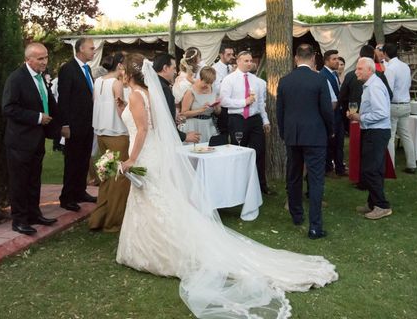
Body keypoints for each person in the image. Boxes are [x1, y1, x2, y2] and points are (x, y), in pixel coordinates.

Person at [115, 53, 338, 318]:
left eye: (122, 69)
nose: (119, 72)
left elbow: (141, 130)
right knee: (156, 202)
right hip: (152, 154)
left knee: (155, 201)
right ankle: (148, 247)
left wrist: (130, 159)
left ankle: (160, 252)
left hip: (144, 154)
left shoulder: (137, 95)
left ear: (129, 72)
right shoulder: (147, 93)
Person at [277, 45, 334, 239]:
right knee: (316, 180)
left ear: (295, 59)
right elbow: (327, 110)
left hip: (293, 136)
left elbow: (280, 112)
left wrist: (285, 134)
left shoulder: (284, 81)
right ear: (312, 59)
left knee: (293, 176)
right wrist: (331, 130)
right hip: (315, 135)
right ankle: (315, 226)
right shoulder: (319, 79)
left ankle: (296, 215)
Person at [2, 44, 59, 235]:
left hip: (37, 138)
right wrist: (37, 117)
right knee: (19, 182)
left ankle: (34, 214)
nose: (45, 62)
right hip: (19, 141)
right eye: (40, 59)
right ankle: (19, 220)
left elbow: (47, 101)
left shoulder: (42, 77)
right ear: (28, 59)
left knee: (34, 179)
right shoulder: (16, 79)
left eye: (46, 57)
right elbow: (8, 108)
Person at [220, 51, 272, 194]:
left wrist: (265, 120)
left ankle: (261, 186)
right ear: (238, 62)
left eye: (250, 61)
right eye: (246, 61)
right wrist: (244, 102)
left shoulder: (257, 81)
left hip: (255, 120)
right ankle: (239, 186)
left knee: (259, 152)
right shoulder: (229, 80)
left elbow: (261, 102)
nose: (249, 63)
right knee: (239, 151)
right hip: (237, 119)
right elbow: (224, 101)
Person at [88, 52, 130, 232]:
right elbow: (120, 107)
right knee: (119, 179)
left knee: (106, 177)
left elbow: (95, 102)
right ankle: (113, 222)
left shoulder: (98, 81)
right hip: (117, 134)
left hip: (101, 133)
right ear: (120, 65)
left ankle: (97, 219)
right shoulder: (117, 83)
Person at [347, 58, 392, 220]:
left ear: (370, 70)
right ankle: (373, 203)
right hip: (375, 131)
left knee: (370, 170)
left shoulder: (374, 87)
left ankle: (382, 205)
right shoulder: (371, 85)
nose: (356, 72)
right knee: (376, 169)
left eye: (360, 69)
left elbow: (382, 113)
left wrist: (360, 117)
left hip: (376, 132)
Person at [58, 38, 97, 212]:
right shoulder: (68, 69)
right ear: (80, 49)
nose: (94, 51)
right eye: (91, 48)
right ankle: (67, 197)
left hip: (88, 124)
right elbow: (64, 99)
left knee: (83, 159)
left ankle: (80, 191)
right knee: (73, 161)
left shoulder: (87, 69)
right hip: (74, 124)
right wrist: (65, 124)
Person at [382, 43, 417, 174]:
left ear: (385, 53)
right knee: (406, 135)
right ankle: (412, 164)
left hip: (394, 105)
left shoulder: (391, 69)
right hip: (406, 104)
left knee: (390, 136)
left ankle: (391, 167)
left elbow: (388, 90)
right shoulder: (405, 66)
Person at [152, 53, 200, 144]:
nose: (175, 72)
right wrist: (184, 136)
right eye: (173, 68)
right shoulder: (164, 89)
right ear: (165, 68)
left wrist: (174, 116)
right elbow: (165, 120)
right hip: (164, 138)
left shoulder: (154, 84)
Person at [319, 50, 346, 176]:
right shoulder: (323, 75)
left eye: (337, 59)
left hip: (339, 114)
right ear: (326, 61)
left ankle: (340, 168)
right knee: (330, 143)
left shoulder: (334, 74)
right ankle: (328, 168)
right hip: (331, 114)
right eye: (334, 59)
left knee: (339, 143)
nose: (337, 61)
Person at [181, 66, 220, 144]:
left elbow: (218, 112)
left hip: (208, 125)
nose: (208, 85)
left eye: (210, 83)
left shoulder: (214, 90)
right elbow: (183, 113)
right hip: (193, 125)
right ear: (201, 78)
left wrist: (216, 107)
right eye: (206, 82)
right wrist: (200, 110)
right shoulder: (191, 91)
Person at [212, 45, 234, 138]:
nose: (232, 57)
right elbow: (216, 88)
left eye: (232, 54)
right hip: (222, 106)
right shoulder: (215, 69)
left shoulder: (231, 68)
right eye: (228, 54)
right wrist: (229, 80)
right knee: (224, 133)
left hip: (232, 104)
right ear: (221, 55)